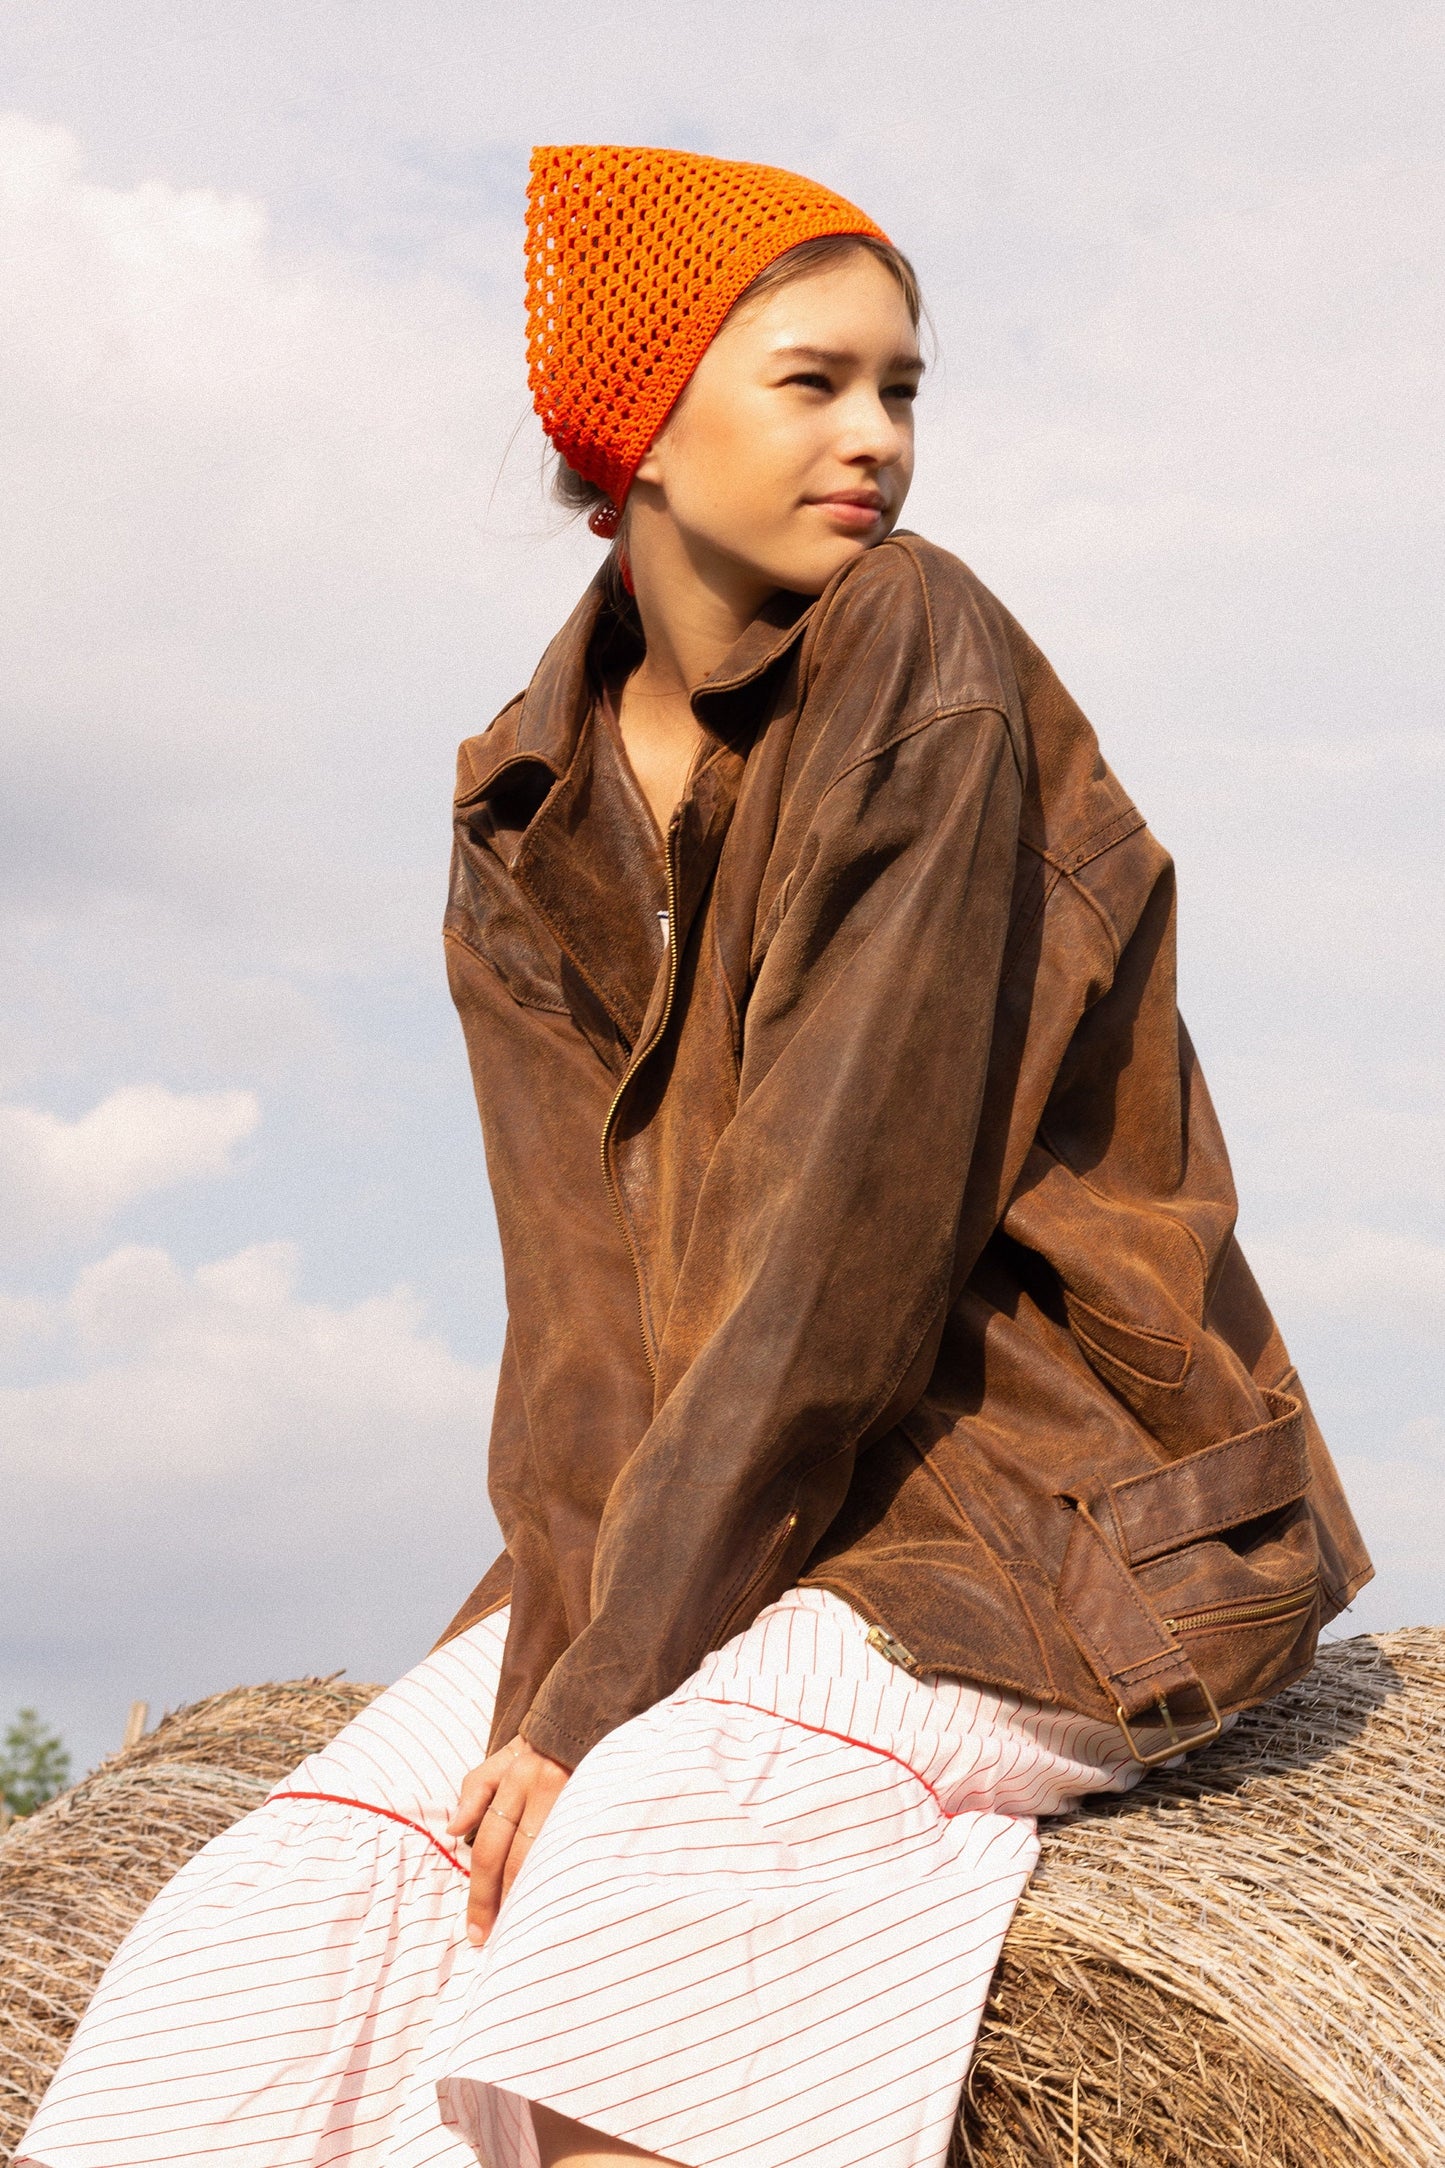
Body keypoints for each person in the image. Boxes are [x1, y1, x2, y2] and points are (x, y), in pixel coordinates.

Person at [19, 143, 1371, 2168]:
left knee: (627, 1918)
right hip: (741, 1522)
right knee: (275, 1929)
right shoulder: (520, 801)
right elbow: (576, 1329)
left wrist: (596, 1712)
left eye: (901, 388)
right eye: (814, 381)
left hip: (1043, 1507)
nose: (879, 439)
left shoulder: (922, 650)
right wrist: (550, 1661)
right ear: (640, 420)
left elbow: (842, 1248)